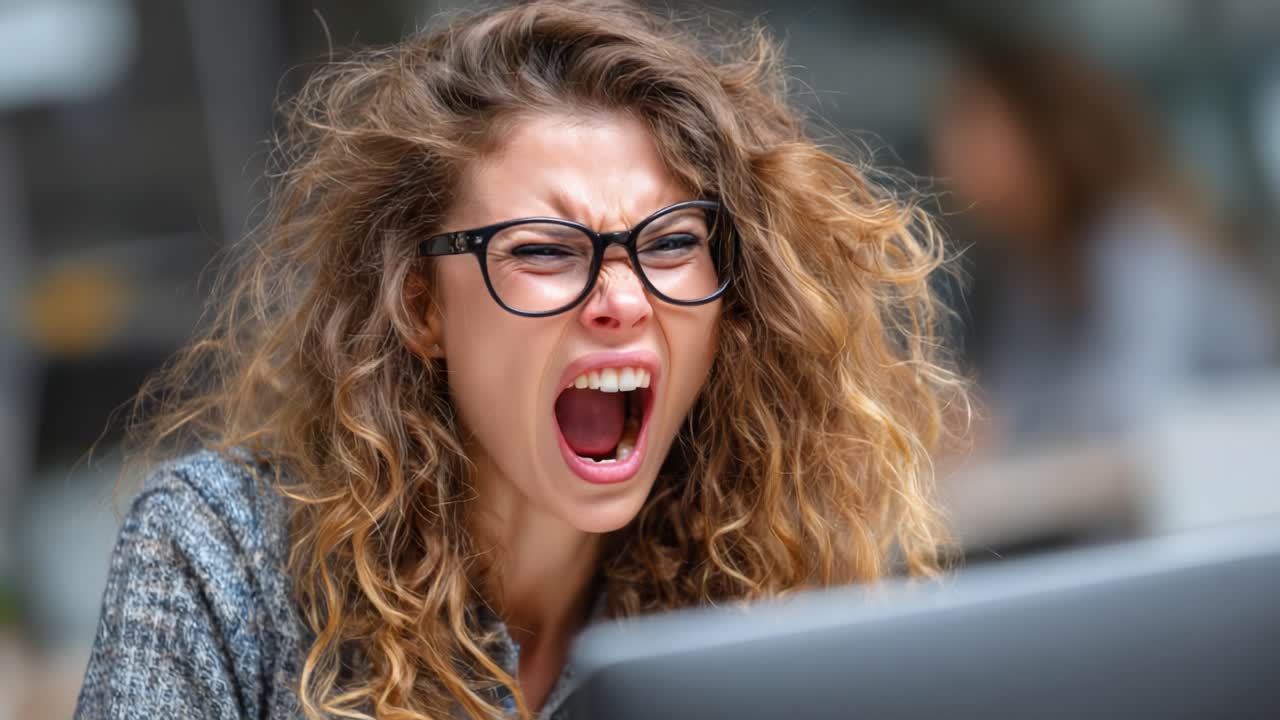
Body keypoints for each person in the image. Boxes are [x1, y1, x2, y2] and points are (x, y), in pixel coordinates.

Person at [76, 2, 964, 718]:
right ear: (420, 306)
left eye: (671, 243)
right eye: (543, 251)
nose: (624, 300)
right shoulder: (223, 555)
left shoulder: (763, 596)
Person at [932, 40, 1276, 451]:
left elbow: (1132, 403)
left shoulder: (1140, 239)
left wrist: (998, 422)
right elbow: (1003, 398)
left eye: (971, 126)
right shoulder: (1025, 269)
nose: (947, 152)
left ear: (1042, 135)